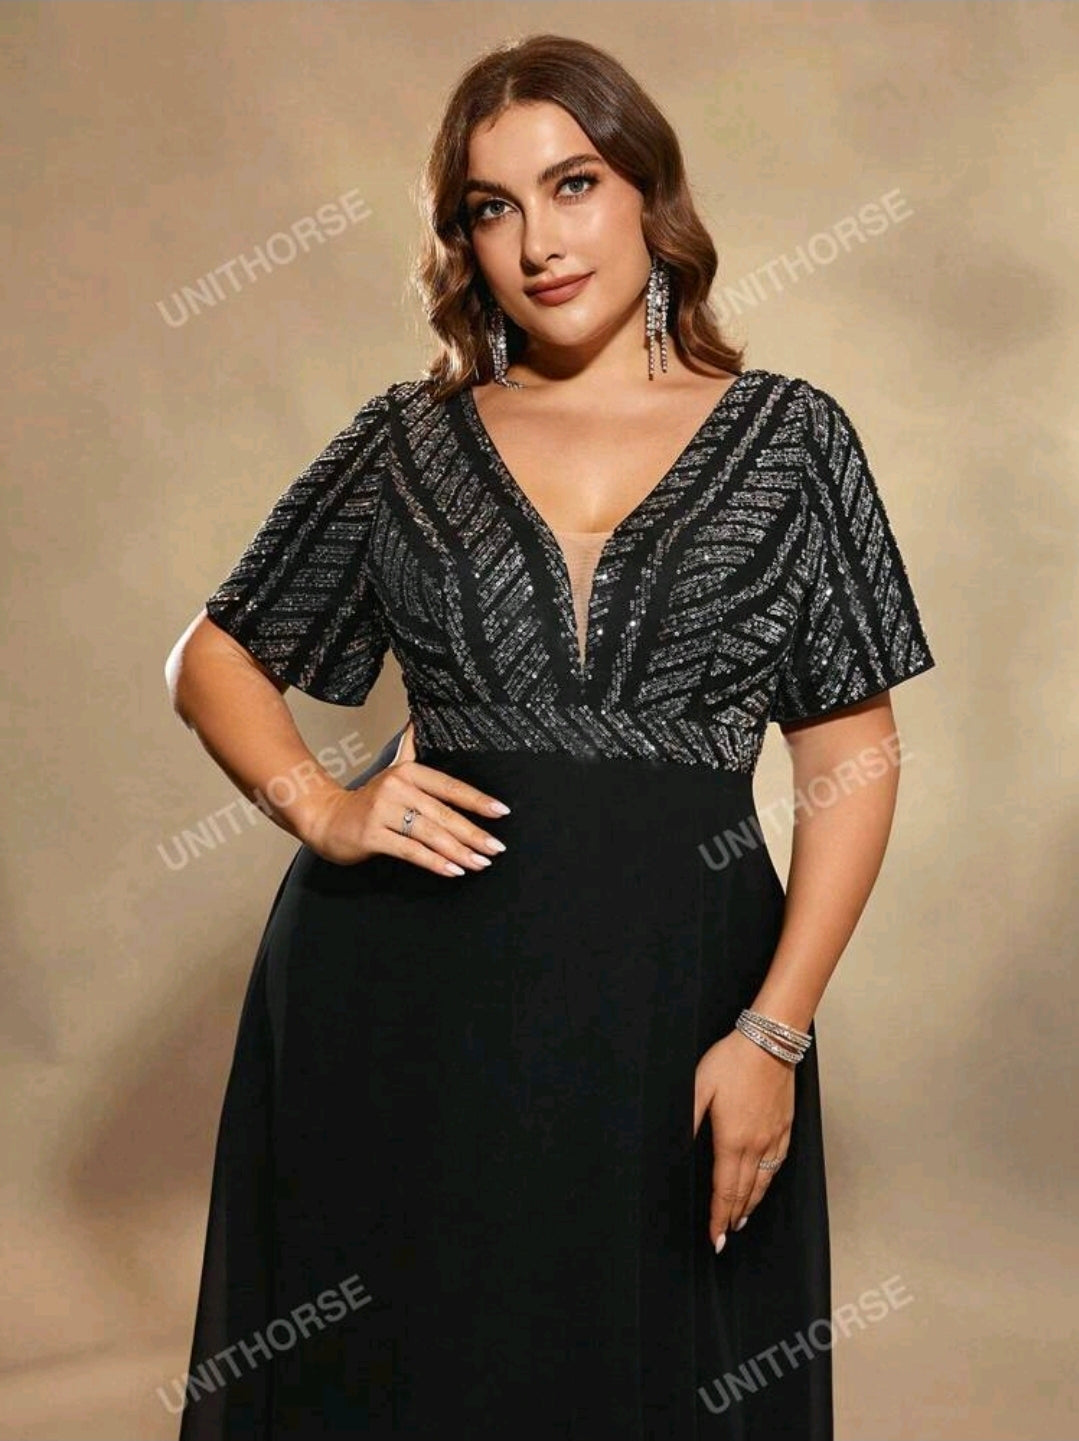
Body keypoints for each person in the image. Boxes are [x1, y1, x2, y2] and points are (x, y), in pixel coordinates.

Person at [164, 32, 935, 1441]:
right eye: (491, 207)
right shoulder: (409, 439)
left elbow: (849, 760)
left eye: (573, 184)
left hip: (682, 998)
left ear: (649, 190)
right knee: (404, 1373)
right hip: (399, 998)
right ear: (464, 241)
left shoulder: (792, 440)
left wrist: (774, 1030)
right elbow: (212, 658)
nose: (538, 241)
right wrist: (325, 809)